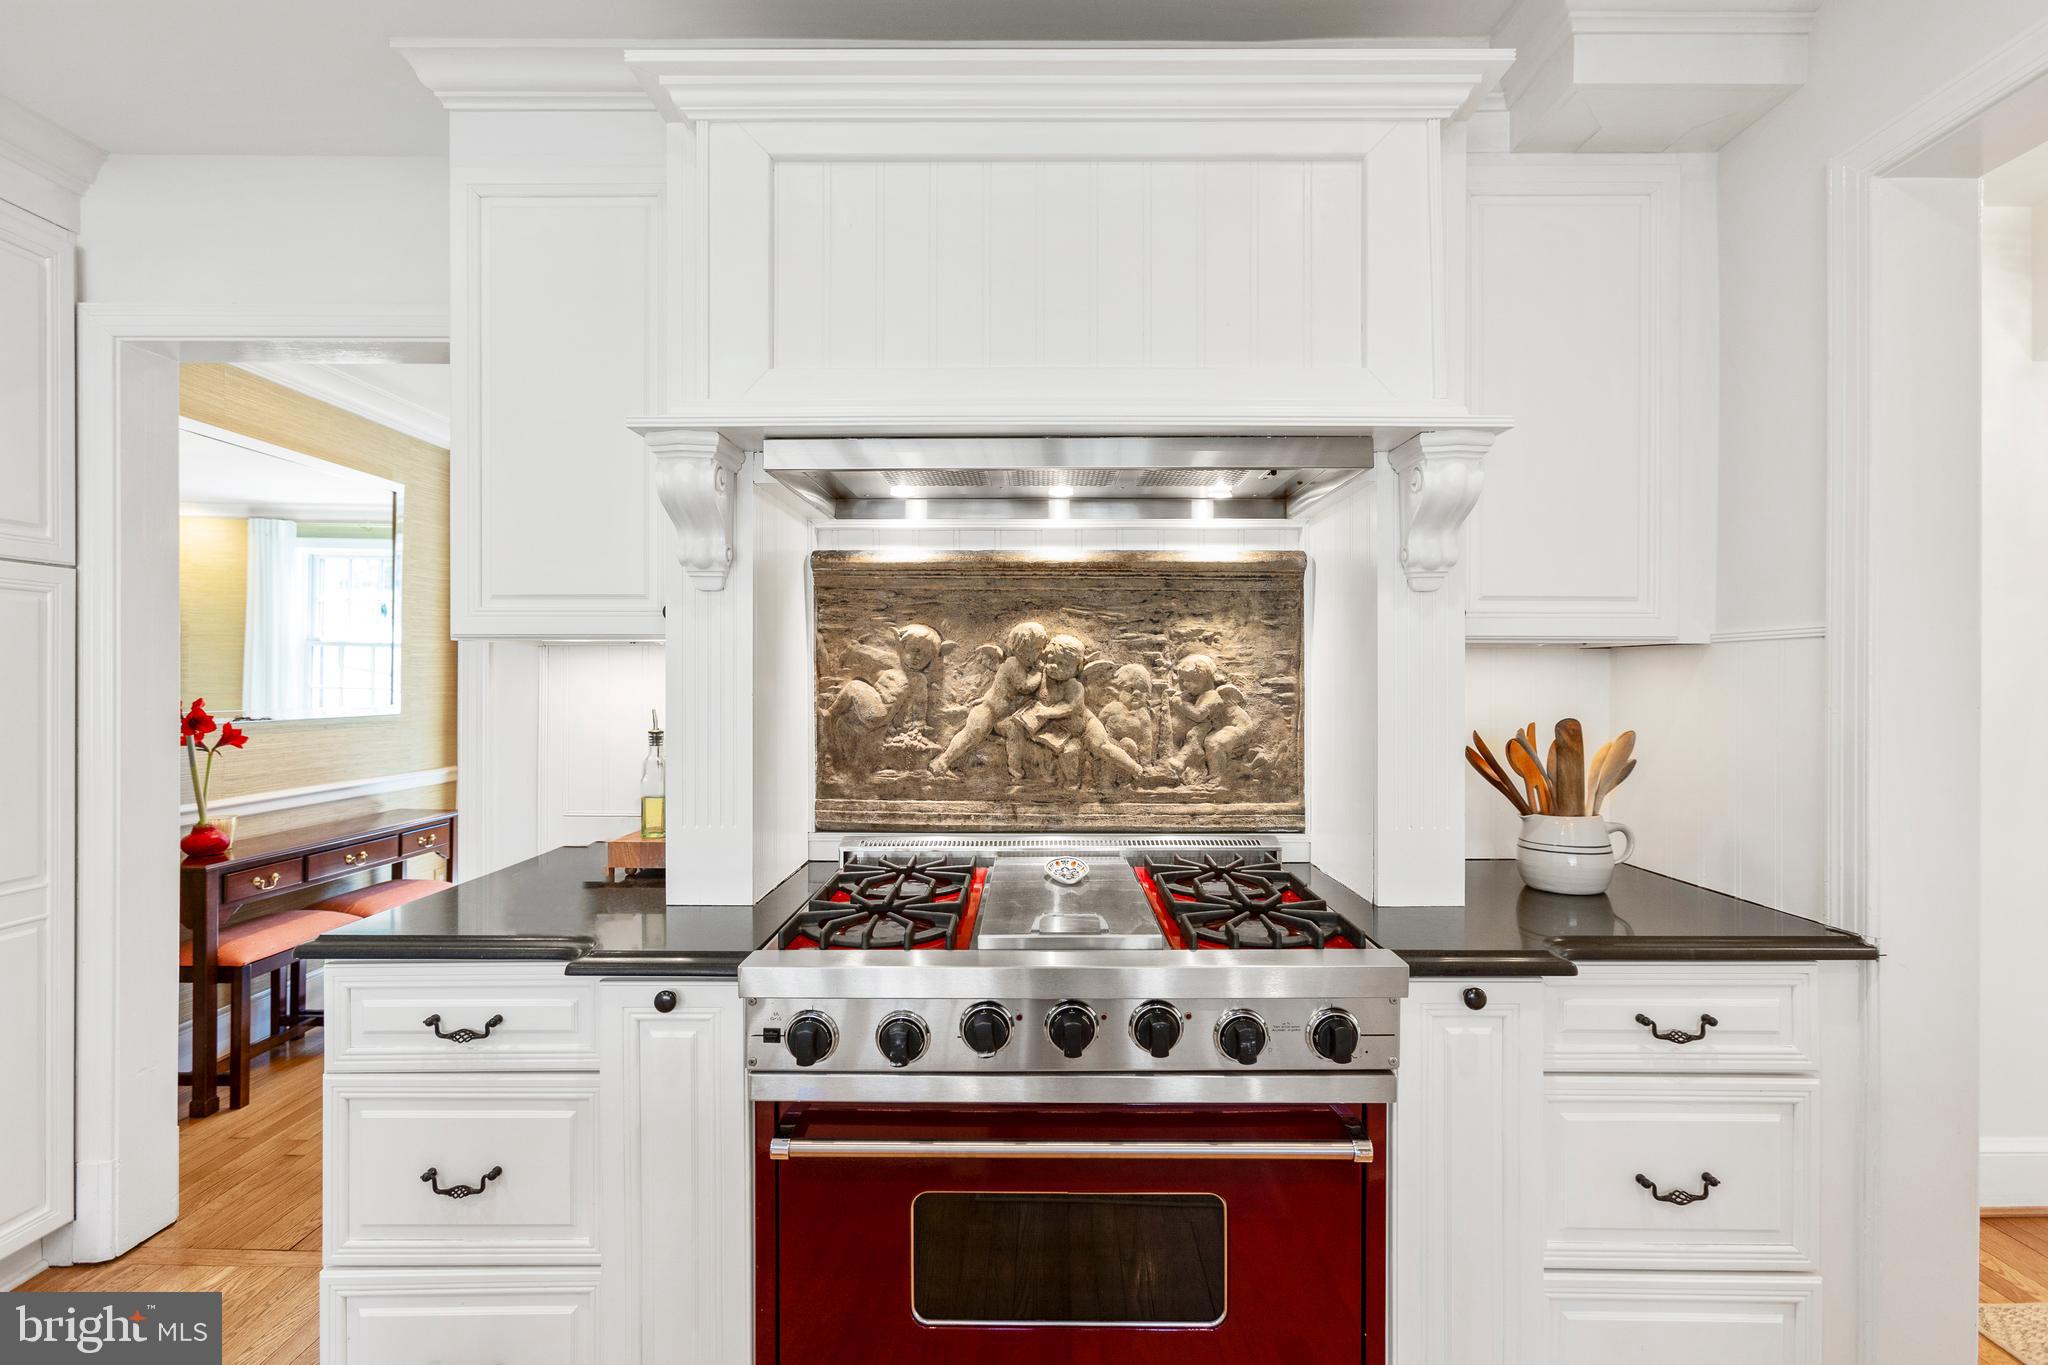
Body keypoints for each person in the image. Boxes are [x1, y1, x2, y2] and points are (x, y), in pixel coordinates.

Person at [928, 621, 1047, 778]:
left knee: (1014, 731)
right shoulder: (1013, 664)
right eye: (1038, 648)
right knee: (970, 736)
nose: (1041, 652)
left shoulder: (1023, 667)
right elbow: (1024, 686)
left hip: (1002, 716)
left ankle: (1015, 769)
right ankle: (942, 762)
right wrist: (1039, 673)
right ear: (1025, 648)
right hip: (988, 711)